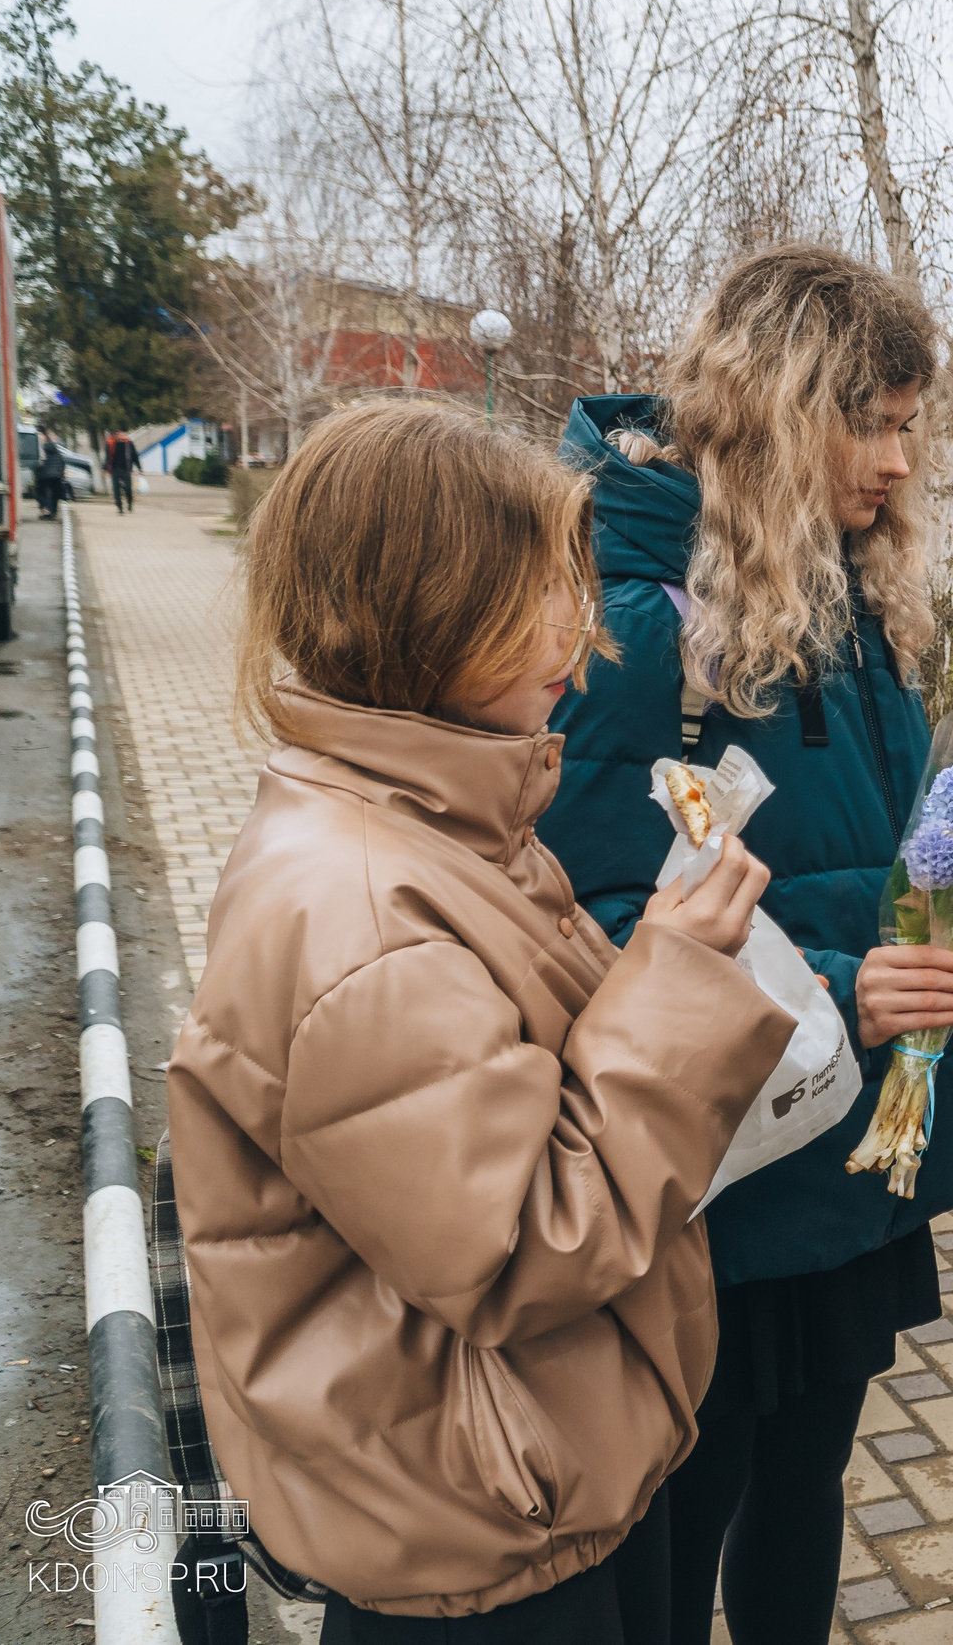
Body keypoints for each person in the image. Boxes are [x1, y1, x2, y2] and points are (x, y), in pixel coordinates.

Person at [540, 242, 953, 1645]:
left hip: (849, 1155)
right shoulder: (642, 630)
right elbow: (582, 931)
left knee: (809, 1486)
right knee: (680, 1515)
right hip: (725, 1177)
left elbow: (897, 878)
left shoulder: (847, 600)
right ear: (776, 413)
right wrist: (844, 985)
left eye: (909, 424)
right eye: (872, 422)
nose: (900, 462)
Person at [166, 399, 793, 1642]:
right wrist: (674, 985)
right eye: (542, 591)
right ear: (427, 612)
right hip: (482, 1542)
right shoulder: (367, 910)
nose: (582, 632)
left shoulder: (439, 821)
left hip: (513, 1491)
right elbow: (523, 1253)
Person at [30, 438, 63, 521]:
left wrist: (36, 475)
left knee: (41, 493)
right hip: (57, 478)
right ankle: (53, 513)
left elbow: (37, 466)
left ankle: (46, 510)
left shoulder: (43, 455)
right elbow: (62, 466)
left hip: (43, 478)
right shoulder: (58, 455)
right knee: (55, 496)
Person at [105, 431, 139, 511]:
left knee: (128, 487)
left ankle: (129, 502)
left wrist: (139, 467)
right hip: (114, 469)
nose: (119, 436)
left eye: (120, 434)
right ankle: (119, 507)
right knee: (116, 489)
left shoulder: (128, 444)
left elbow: (134, 455)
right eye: (116, 435)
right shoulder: (110, 444)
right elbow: (107, 457)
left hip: (126, 469)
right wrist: (105, 468)